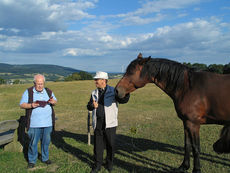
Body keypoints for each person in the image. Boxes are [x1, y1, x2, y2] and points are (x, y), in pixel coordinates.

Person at [87, 71, 130, 173]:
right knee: (98, 146)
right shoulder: (94, 93)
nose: (95, 81)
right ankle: (97, 165)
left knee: (110, 145)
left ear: (104, 80)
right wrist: (93, 106)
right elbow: (88, 106)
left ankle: (109, 164)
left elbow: (123, 100)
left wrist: (127, 94)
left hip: (110, 123)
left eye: (97, 79)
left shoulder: (113, 91)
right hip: (98, 123)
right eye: (95, 79)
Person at [20, 74, 57, 168]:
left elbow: (55, 101)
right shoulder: (28, 92)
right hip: (34, 124)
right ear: (34, 83)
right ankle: (32, 161)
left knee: (46, 142)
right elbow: (22, 104)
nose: (40, 86)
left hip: (48, 123)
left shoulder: (48, 91)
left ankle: (45, 158)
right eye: (38, 84)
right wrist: (31, 105)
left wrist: (53, 102)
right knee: (33, 143)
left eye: (42, 83)